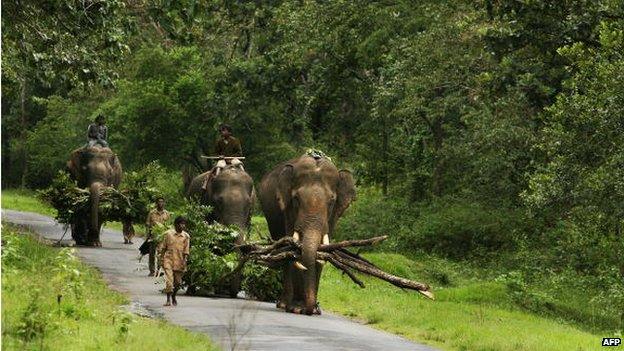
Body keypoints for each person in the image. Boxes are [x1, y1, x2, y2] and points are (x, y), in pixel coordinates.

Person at [158, 216, 190, 307]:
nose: (182, 226)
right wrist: (161, 259)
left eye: (184, 224)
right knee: (169, 281)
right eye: (181, 224)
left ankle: (174, 296)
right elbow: (164, 247)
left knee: (178, 283)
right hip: (168, 260)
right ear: (176, 224)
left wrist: (185, 261)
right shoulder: (168, 234)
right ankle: (168, 299)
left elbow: (186, 251)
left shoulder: (186, 236)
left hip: (180, 262)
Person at [145, 197, 171, 276]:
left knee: (161, 253)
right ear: (156, 203)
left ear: (164, 203)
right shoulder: (152, 213)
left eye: (162, 202)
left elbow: (169, 225)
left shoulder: (167, 214)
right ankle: (152, 270)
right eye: (159, 202)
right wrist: (149, 233)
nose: (160, 203)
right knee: (152, 254)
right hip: (153, 236)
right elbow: (147, 224)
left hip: (162, 237)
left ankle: (159, 270)